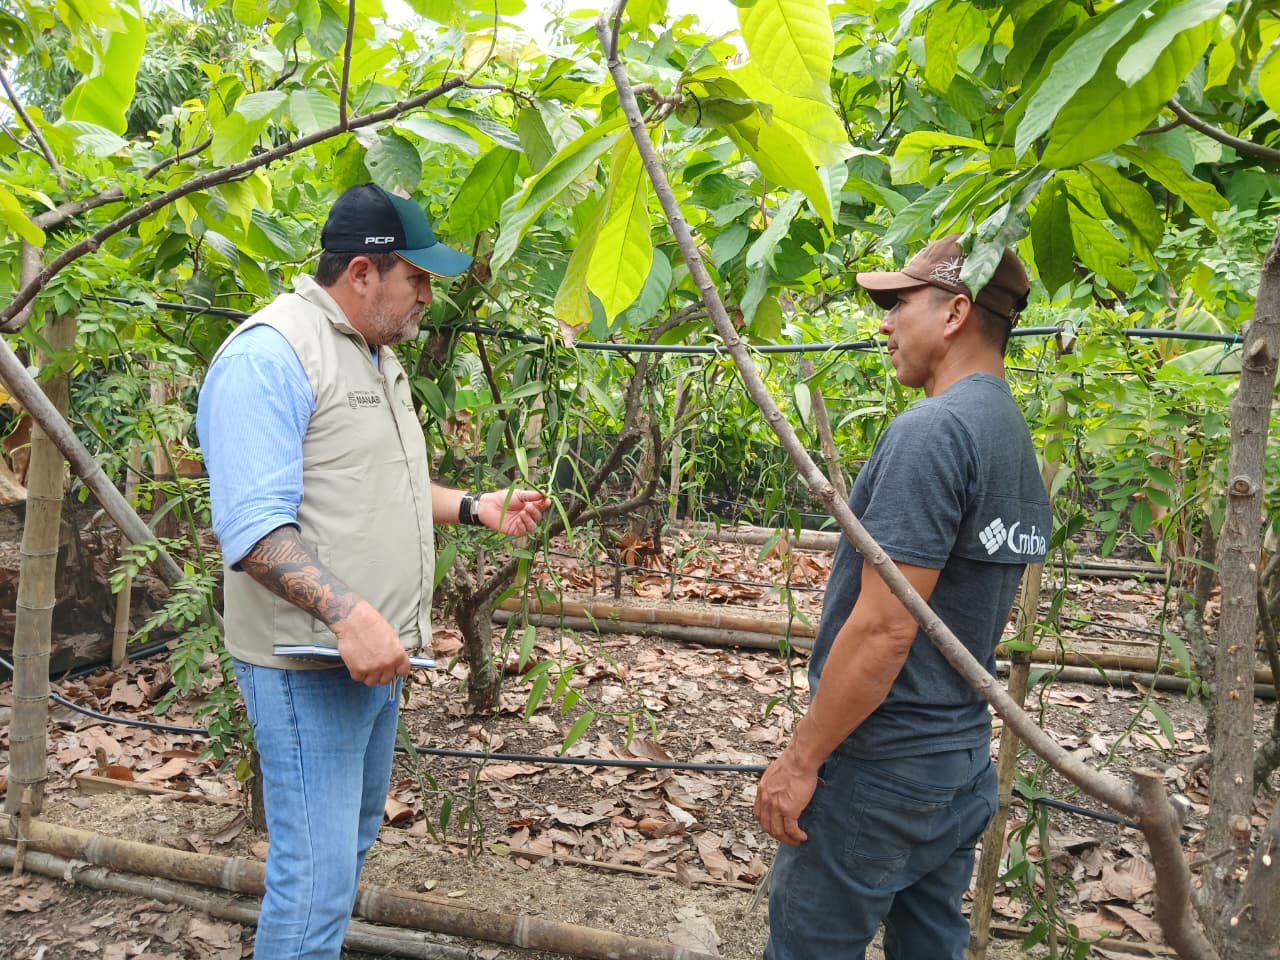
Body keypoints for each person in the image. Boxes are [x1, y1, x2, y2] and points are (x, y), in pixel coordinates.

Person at [196, 182, 550, 960]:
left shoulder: (370, 354)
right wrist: (350, 615)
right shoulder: (271, 355)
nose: (428, 295)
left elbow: (373, 486)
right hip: (309, 662)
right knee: (314, 880)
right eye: (415, 278)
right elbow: (252, 527)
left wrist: (473, 507)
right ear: (362, 272)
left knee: (344, 851)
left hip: (365, 656)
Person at [753, 235, 1052, 960]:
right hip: (957, 765)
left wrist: (801, 761)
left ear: (955, 312)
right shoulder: (1009, 433)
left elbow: (886, 630)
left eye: (899, 303)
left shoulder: (934, 431)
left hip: (881, 771)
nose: (885, 323)